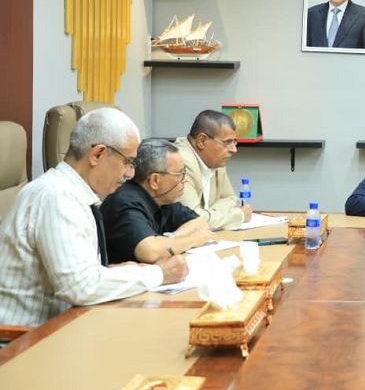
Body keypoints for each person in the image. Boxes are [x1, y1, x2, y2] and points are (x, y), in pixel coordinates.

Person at [0, 108, 188, 327]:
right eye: (128, 162)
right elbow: (79, 287)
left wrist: (113, 272)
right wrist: (159, 274)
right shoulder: (56, 197)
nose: (130, 174)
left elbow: (79, 274)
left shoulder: (74, 194)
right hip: (23, 338)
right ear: (97, 154)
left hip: (63, 325)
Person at [101, 138, 215, 264]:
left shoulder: (162, 199)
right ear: (155, 180)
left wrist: (170, 239)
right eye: (179, 174)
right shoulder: (125, 202)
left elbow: (199, 223)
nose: (185, 179)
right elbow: (150, 252)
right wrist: (193, 240)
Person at [175, 110, 252, 230]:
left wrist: (208, 214)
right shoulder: (179, 162)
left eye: (234, 142)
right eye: (227, 142)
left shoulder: (214, 160)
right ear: (202, 141)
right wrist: (239, 215)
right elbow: (193, 220)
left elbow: (231, 199)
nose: (234, 149)